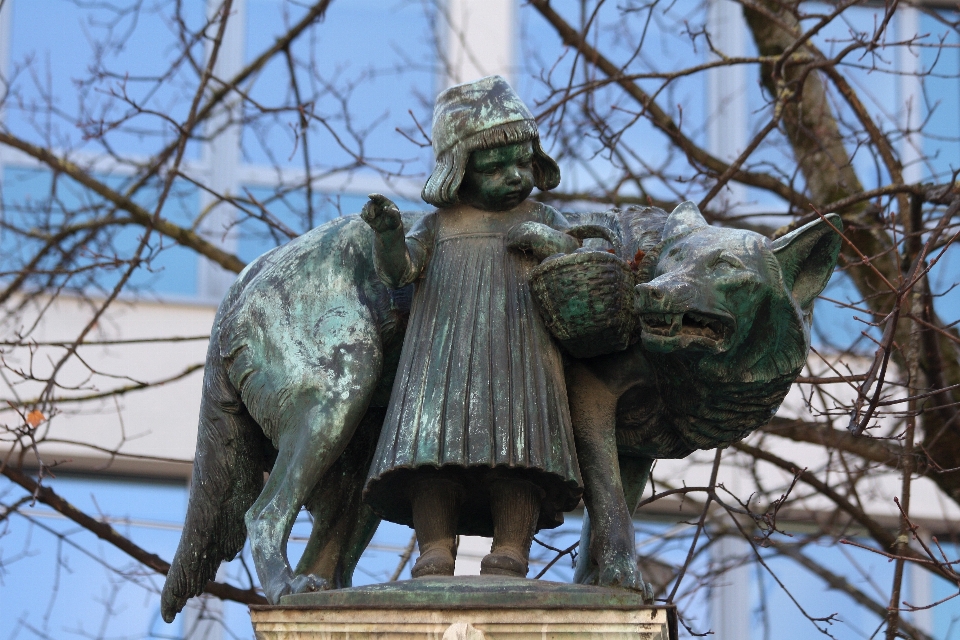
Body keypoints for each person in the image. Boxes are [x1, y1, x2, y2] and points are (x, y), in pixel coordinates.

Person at [361, 75, 582, 579]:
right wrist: (389, 236)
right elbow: (399, 273)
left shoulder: (544, 215)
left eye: (523, 161)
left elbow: (580, 255)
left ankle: (512, 547)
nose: (515, 175)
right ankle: (435, 547)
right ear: (459, 170)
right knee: (431, 460)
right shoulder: (438, 225)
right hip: (442, 356)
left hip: (519, 352)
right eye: (496, 165)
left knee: (519, 455)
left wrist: (550, 242)